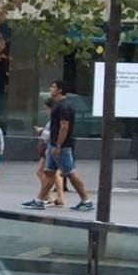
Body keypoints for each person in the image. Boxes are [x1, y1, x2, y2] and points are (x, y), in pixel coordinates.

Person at [24, 80, 93, 211]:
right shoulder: (59, 105)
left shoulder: (64, 107)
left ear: (60, 90)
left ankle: (86, 201)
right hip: (53, 144)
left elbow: (64, 127)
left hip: (60, 146)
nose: (50, 89)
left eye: (53, 87)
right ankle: (39, 200)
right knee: (49, 172)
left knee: (70, 173)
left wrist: (58, 145)